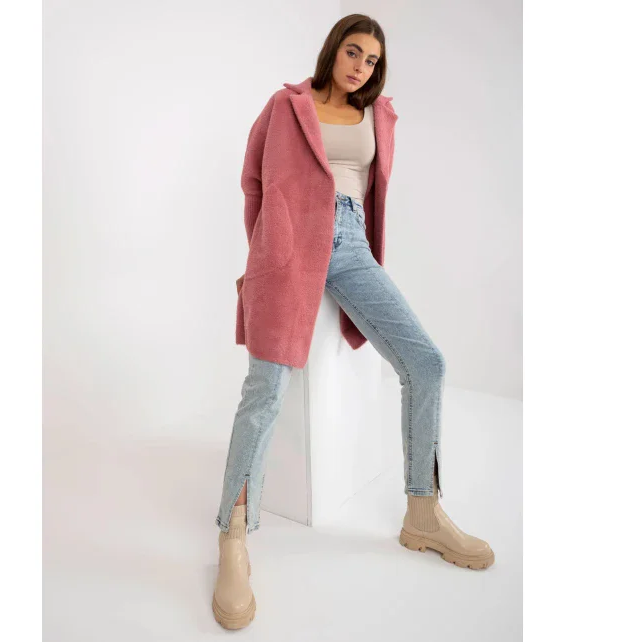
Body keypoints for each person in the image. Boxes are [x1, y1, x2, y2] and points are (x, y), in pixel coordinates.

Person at [212, 14, 494, 631]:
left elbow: (368, 190)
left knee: (426, 362)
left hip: (352, 246)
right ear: (333, 51)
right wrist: (260, 259)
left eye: (372, 60)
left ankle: (423, 511)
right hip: (288, 248)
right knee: (265, 390)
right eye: (353, 52)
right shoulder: (286, 106)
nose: (361, 66)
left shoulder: (378, 116)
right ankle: (233, 534)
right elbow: (253, 184)